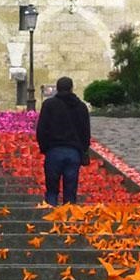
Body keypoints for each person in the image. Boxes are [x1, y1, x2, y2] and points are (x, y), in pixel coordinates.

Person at [35, 75, 91, 205]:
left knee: (52, 190)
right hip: (74, 152)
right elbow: (85, 131)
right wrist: (84, 149)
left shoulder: (49, 105)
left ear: (57, 89)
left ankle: (51, 215)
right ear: (71, 88)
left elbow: (42, 128)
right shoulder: (81, 106)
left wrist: (44, 148)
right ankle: (69, 217)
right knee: (70, 191)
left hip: (54, 150)